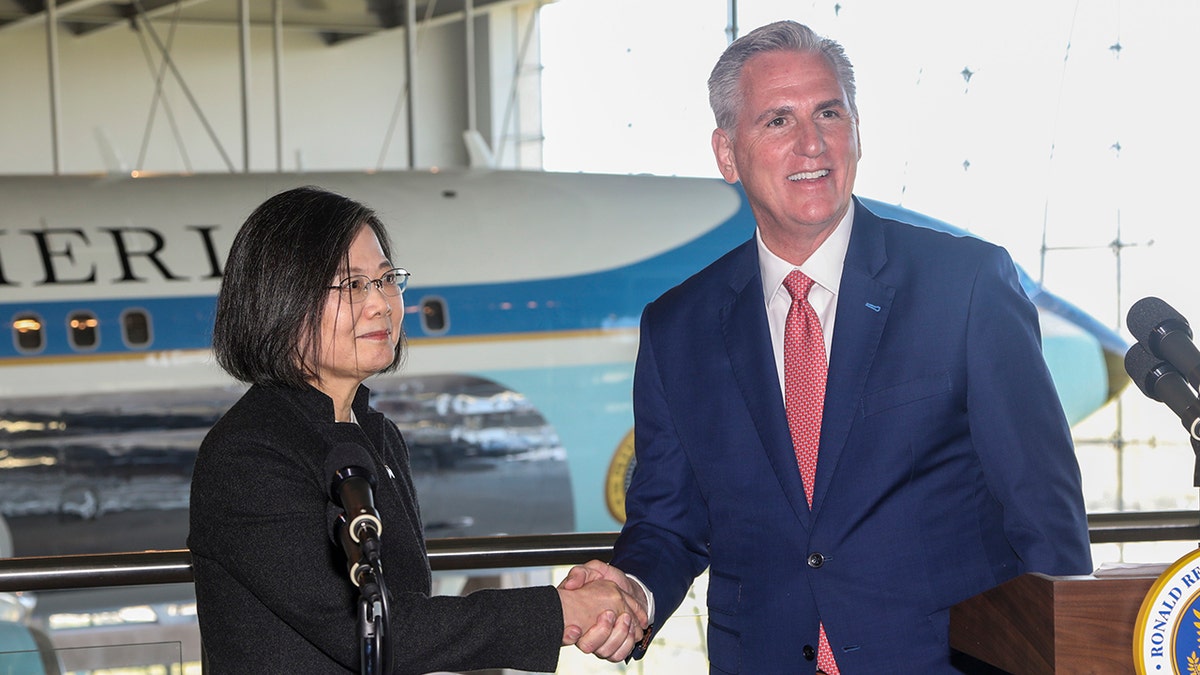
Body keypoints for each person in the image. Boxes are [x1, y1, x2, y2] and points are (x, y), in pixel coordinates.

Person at [563, 19, 1093, 673]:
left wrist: (1065, 656)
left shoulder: (965, 285)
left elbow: (1043, 507)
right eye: (777, 121)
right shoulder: (679, 327)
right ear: (727, 153)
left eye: (829, 112)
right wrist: (631, 591)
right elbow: (669, 521)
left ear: (857, 131)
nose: (812, 143)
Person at [187, 186, 645, 673]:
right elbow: (371, 628)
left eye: (386, 279)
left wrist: (567, 606)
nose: (381, 303)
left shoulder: (376, 437)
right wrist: (559, 610)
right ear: (282, 299)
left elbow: (407, 606)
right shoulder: (248, 455)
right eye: (353, 285)